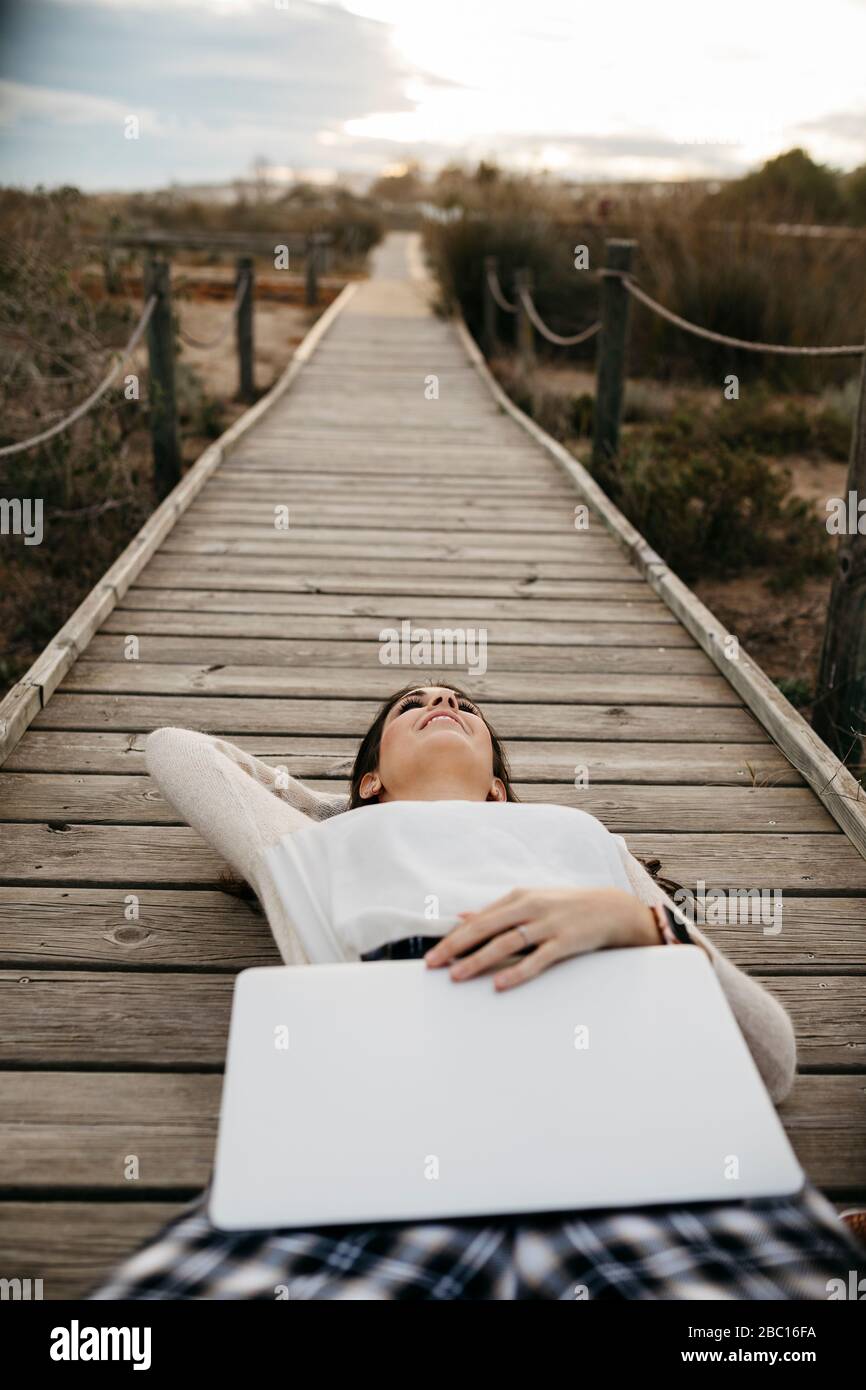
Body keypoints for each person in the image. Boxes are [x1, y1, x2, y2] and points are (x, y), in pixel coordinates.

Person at [85, 683, 863, 1300]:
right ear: (368, 774)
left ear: (500, 784)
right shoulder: (309, 845)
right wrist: (359, 810)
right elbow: (179, 751)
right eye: (412, 705)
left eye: (463, 704)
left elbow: (771, 1057)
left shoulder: (582, 834)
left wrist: (641, 921)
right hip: (381, 1138)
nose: (444, 705)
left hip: (623, 1121)